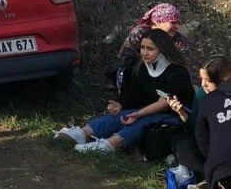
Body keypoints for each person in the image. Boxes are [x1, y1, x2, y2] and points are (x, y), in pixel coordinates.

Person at [55, 29, 194, 153]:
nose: (144, 53)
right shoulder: (141, 68)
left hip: (174, 117)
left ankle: (109, 145)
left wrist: (138, 114)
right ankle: (82, 134)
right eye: (142, 48)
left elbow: (164, 103)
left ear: (163, 50)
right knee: (118, 116)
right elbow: (132, 94)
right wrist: (119, 105)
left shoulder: (177, 72)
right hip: (145, 110)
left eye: (150, 49)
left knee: (142, 121)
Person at [169, 56, 230, 189]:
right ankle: (209, 180)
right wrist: (182, 113)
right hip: (206, 148)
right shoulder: (202, 94)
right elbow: (194, 129)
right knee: (182, 144)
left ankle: (217, 181)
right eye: (201, 80)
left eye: (208, 81)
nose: (203, 84)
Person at [118, 3, 196, 81]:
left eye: (178, 23)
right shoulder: (140, 33)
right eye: (173, 22)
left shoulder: (180, 41)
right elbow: (124, 58)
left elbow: (187, 67)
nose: (177, 27)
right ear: (158, 22)